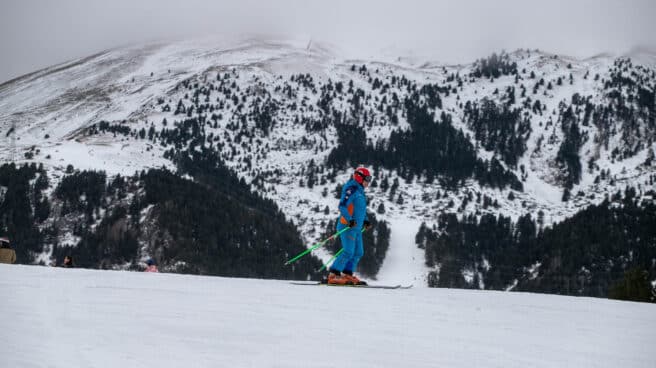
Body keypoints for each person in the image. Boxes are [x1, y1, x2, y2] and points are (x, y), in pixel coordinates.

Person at [326, 167, 372, 285]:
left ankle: (347, 274)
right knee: (348, 251)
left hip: (356, 228)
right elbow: (342, 206)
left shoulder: (360, 192)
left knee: (358, 252)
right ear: (359, 177)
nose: (368, 182)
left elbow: (360, 210)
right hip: (347, 226)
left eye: (370, 179)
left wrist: (366, 221)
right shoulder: (351, 189)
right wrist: (349, 219)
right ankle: (333, 275)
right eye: (367, 179)